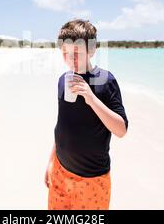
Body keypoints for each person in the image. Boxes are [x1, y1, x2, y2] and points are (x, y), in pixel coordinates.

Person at [45, 18, 129, 210]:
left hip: (93, 179)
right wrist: (51, 162)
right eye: (65, 53)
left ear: (91, 50)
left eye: (76, 53)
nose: (70, 59)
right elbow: (63, 126)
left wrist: (91, 98)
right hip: (60, 170)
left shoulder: (105, 81)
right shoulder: (63, 80)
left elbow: (121, 129)